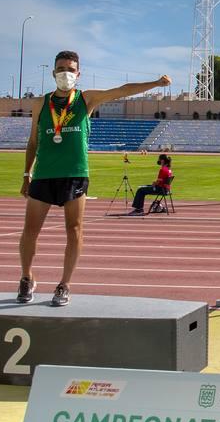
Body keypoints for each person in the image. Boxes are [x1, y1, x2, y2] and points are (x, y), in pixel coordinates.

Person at [18, 51, 170, 306]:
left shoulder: (85, 99)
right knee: (30, 231)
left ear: (78, 74)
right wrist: (26, 174)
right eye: (60, 68)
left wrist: (155, 84)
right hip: (43, 174)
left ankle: (64, 284)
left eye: (70, 69)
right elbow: (33, 141)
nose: (65, 73)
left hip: (75, 174)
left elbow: (121, 91)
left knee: (74, 230)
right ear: (53, 72)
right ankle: (26, 277)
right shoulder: (40, 104)